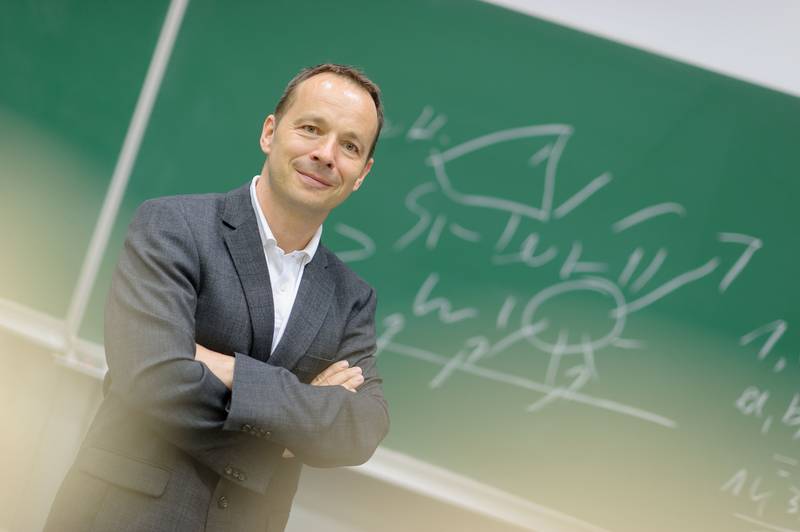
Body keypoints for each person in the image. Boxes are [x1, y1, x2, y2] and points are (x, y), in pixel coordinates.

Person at [45, 63, 389, 532]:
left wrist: (227, 369)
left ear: (362, 172)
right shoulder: (172, 228)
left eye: (350, 146)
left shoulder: (351, 299)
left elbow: (360, 429)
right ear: (270, 132)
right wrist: (296, 422)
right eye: (311, 129)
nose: (326, 154)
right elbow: (152, 378)